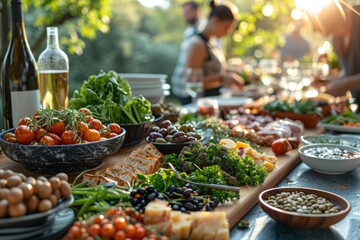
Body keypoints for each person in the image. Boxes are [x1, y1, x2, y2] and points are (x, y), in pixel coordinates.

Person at [184, 0, 244, 97]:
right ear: (215, 20)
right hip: (203, 101)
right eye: (226, 27)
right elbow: (191, 81)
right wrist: (222, 79)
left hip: (216, 98)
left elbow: (212, 71)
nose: (228, 32)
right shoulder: (197, 44)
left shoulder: (213, 42)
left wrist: (231, 71)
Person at [307, 0, 360, 104]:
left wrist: (344, 85)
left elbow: (347, 81)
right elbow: (348, 73)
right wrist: (327, 81)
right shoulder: (337, 39)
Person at [171, 1, 200, 105]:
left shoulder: (202, 32)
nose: (185, 16)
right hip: (180, 88)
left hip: (192, 88)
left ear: (196, 11)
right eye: (184, 13)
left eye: (187, 12)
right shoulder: (188, 31)